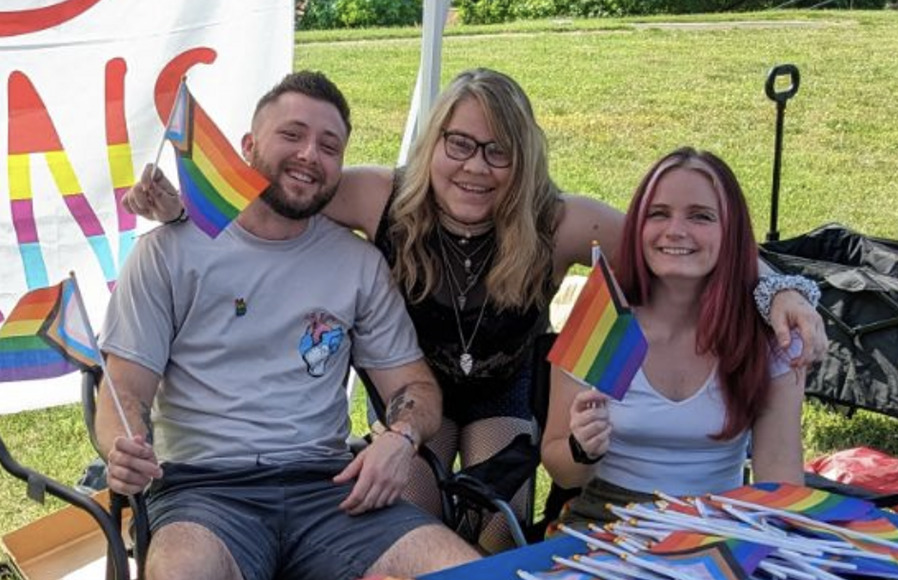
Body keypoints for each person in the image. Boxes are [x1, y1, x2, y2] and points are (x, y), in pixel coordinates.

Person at [123, 68, 826, 551]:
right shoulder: (383, 197)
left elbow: (674, 241)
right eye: (459, 144)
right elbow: (283, 184)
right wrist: (180, 203)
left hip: (501, 389)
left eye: (499, 151)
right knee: (411, 516)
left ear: (523, 160)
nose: (475, 166)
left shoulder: (557, 220)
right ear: (434, 145)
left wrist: (781, 289)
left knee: (497, 524)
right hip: (412, 388)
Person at [96, 71, 479, 580]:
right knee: (182, 575)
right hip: (204, 493)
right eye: (292, 135)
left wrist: (401, 437)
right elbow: (122, 388)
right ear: (248, 146)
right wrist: (124, 445)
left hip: (329, 491)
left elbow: (415, 386)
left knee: (466, 574)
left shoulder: (357, 263)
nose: (310, 155)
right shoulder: (169, 250)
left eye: (329, 145)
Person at [541, 147, 809, 528]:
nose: (676, 230)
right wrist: (582, 450)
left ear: (730, 231)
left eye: (700, 216)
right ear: (638, 226)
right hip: (610, 521)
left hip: (721, 520)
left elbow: (779, 477)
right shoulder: (608, 320)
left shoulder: (766, 331)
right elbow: (563, 471)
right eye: (658, 214)